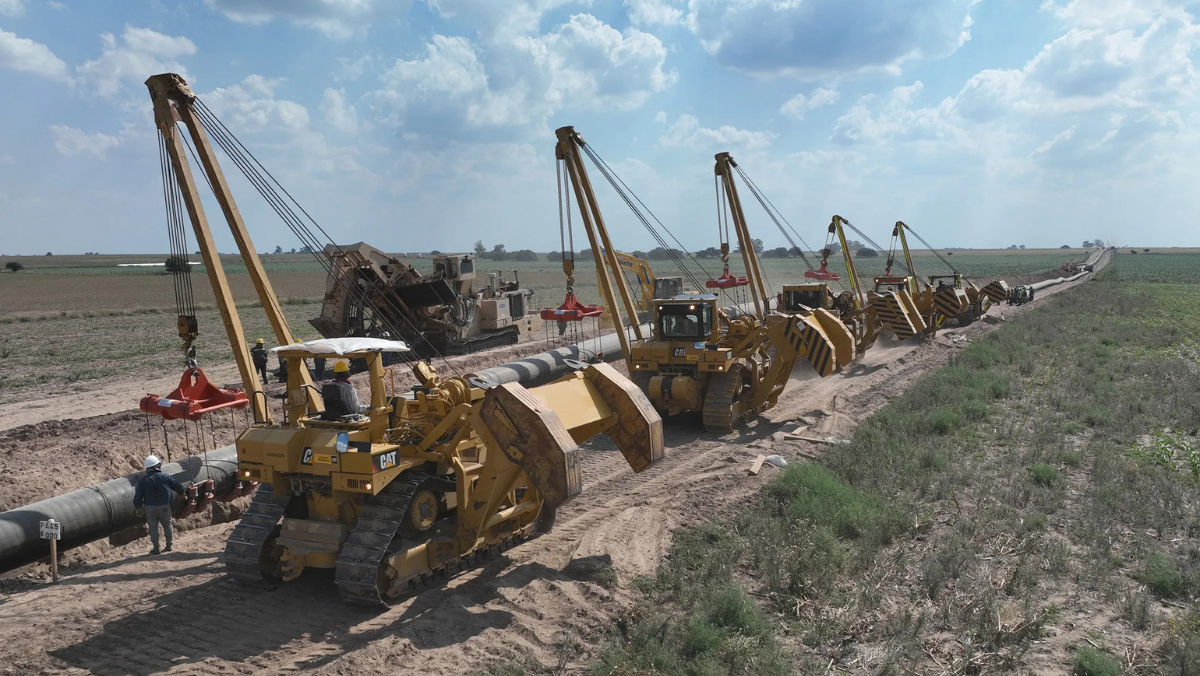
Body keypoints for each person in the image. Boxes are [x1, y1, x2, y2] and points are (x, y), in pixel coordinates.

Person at [134, 455, 186, 555]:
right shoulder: (165, 476)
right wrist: (181, 493)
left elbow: (138, 496)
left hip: (150, 508)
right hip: (164, 506)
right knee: (167, 525)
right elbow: (177, 485)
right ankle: (169, 546)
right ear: (157, 466)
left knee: (153, 527)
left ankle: (156, 549)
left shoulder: (143, 481)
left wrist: (138, 507)